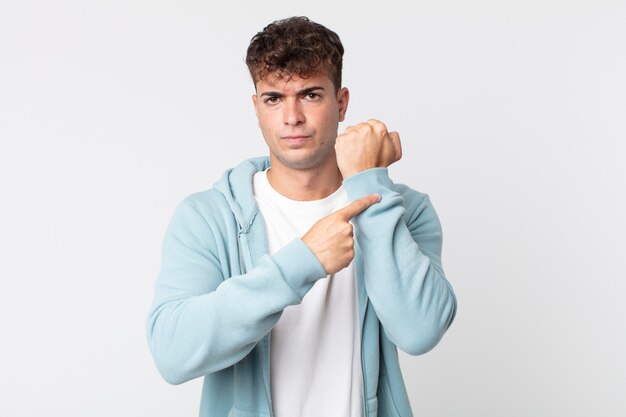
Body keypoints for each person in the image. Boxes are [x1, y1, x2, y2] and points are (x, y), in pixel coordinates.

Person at [146, 16, 457, 417]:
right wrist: (301, 262)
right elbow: (172, 354)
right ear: (256, 107)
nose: (292, 116)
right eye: (275, 98)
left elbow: (421, 331)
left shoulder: (403, 210)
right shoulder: (208, 217)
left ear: (341, 103)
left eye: (310, 95)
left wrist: (369, 184)